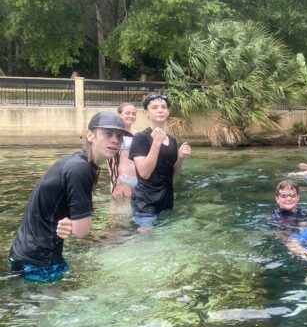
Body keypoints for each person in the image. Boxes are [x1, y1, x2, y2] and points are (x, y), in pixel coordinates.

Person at [8, 112, 132, 282]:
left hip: (24, 252)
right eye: (108, 134)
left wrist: (70, 221)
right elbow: (82, 231)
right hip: (40, 261)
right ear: (90, 136)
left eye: (119, 136)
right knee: (51, 307)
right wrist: (75, 223)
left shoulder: (76, 161)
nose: (115, 140)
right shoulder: (81, 169)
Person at [129, 94, 191, 228]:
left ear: (168, 112)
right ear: (146, 113)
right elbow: (144, 173)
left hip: (167, 199)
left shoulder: (172, 140)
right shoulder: (140, 138)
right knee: (145, 239)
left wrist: (180, 158)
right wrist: (156, 143)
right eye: (155, 107)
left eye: (164, 107)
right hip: (146, 200)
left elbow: (172, 175)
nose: (160, 110)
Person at [109, 102, 138, 199]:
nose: (131, 116)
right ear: (119, 115)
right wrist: (116, 182)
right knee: (120, 213)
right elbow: (110, 160)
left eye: (134, 114)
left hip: (139, 180)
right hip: (122, 180)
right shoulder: (115, 135)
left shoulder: (138, 135)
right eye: (127, 113)